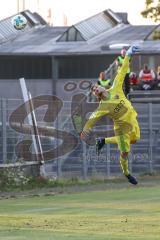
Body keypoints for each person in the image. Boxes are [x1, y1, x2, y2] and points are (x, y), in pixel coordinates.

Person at [80, 45, 140, 185]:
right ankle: (127, 173)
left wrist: (128, 55)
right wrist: (85, 129)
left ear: (102, 86)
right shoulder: (103, 106)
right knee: (125, 153)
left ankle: (103, 141)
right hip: (121, 128)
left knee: (135, 139)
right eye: (94, 90)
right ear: (97, 94)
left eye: (95, 86)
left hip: (132, 120)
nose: (95, 88)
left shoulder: (115, 87)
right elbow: (93, 118)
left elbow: (122, 71)